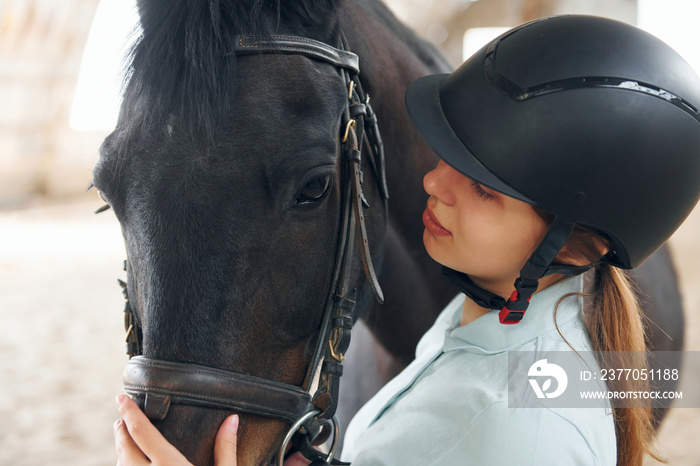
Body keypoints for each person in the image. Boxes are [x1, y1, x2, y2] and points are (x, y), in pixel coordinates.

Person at [114, 14, 700, 466]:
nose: (430, 183)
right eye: (448, 155)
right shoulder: (496, 316)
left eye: (483, 189)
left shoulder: (509, 432)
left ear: (574, 247)